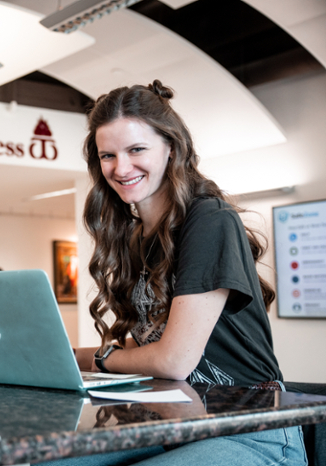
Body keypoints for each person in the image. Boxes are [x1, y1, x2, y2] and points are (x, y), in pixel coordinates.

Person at [47, 81, 305, 466]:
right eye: (108, 155)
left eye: (136, 149)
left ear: (171, 147)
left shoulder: (209, 219)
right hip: (176, 422)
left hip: (252, 430)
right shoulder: (136, 238)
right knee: (52, 461)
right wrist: (62, 358)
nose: (120, 167)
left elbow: (174, 360)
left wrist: (100, 358)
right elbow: (150, 344)